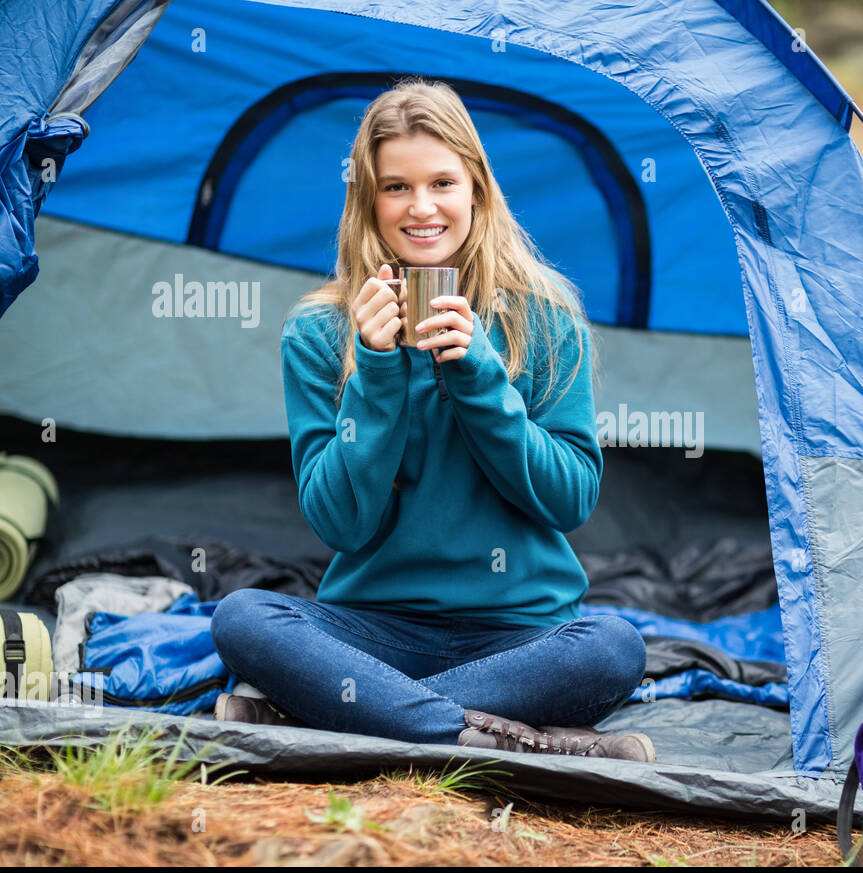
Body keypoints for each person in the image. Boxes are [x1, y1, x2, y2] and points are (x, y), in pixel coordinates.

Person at [209, 79, 654, 762]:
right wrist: (377, 375)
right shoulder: (320, 331)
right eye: (396, 188)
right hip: (373, 627)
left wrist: (480, 378)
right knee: (243, 617)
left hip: (521, 632)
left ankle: (341, 708)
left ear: (476, 188)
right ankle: (508, 737)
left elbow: (569, 500)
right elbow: (339, 525)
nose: (421, 208)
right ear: (368, 199)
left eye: (442, 182)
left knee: (614, 646)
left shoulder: (545, 315)